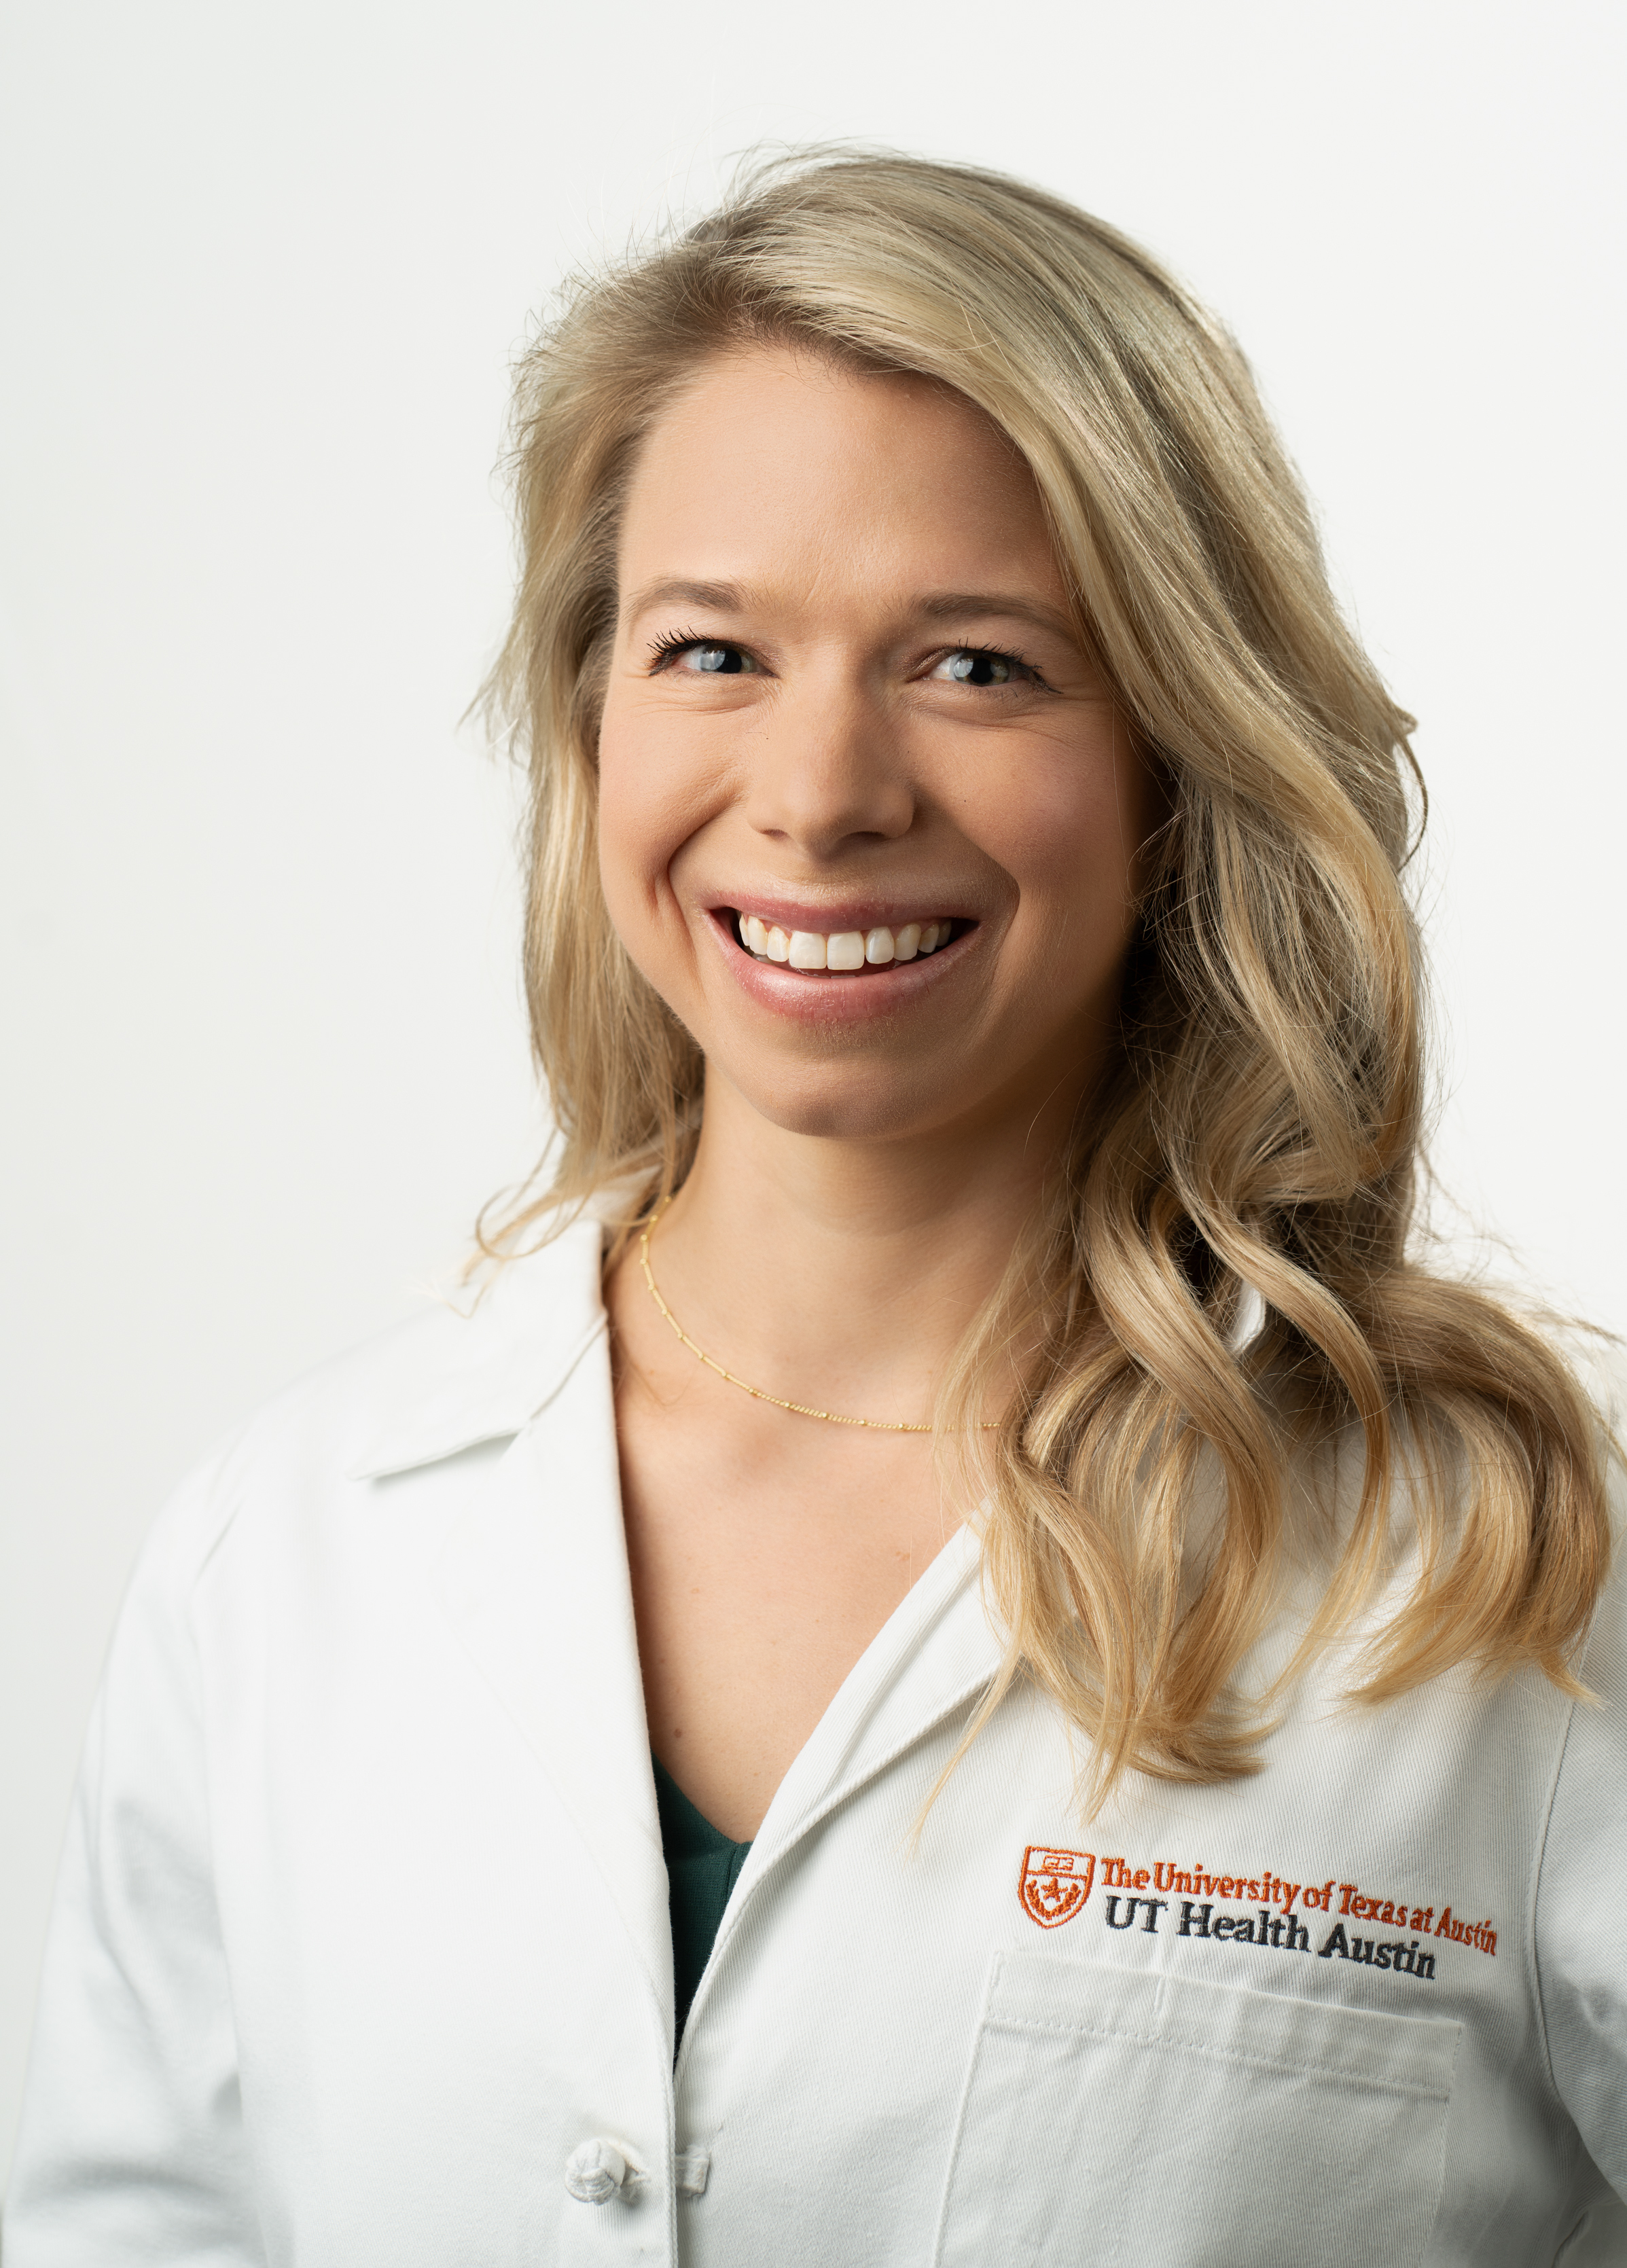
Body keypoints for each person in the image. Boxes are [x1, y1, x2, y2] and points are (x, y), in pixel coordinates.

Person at [6, 151, 1624, 2267]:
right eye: (711, 651)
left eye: (973, 665)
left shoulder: (1516, 1563)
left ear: (1175, 751)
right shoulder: (288, 1550)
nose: (822, 789)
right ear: (589, 723)